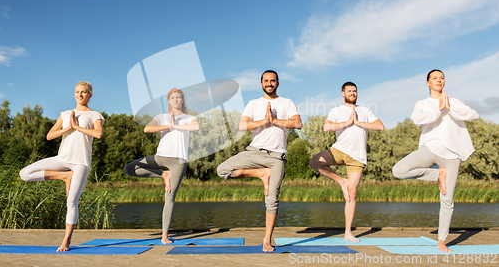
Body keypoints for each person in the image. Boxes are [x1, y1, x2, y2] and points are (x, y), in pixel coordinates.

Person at [392, 69, 479, 252]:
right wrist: (439, 109)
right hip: (430, 149)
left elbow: (473, 115)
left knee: (447, 200)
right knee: (398, 170)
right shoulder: (423, 103)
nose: (438, 80)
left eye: (441, 78)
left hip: (452, 156)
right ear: (428, 83)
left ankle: (441, 241)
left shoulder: (453, 102)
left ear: (444, 82)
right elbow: (417, 119)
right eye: (434, 78)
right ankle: (438, 175)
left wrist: (449, 107)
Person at [217, 70, 302, 252]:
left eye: (272, 81)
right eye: (266, 81)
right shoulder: (254, 104)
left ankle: (266, 240)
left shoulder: (287, 103)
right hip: (254, 152)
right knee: (222, 170)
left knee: (272, 199)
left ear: (277, 83)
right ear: (261, 83)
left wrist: (276, 120)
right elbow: (242, 125)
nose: (269, 83)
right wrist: (264, 120)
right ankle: (261, 174)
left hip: (277, 157)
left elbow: (297, 123)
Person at [19, 81, 104, 252]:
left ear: (90, 95)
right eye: (77, 92)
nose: (80, 95)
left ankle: (66, 241)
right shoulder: (65, 114)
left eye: (83, 92)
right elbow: (50, 135)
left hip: (80, 162)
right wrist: (68, 128)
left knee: (72, 201)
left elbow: (98, 134)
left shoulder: (95, 115)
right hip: (62, 158)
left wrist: (77, 127)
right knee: (25, 173)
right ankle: (65, 176)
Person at [309, 82, 384, 242]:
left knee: (352, 194)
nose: (352, 93)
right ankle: (341, 181)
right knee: (315, 162)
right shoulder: (337, 111)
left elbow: (380, 126)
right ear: (343, 93)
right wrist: (347, 123)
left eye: (354, 91)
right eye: (349, 91)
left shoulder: (365, 111)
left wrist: (358, 123)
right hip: (340, 150)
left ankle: (348, 232)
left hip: (357, 156)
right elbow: (326, 127)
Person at [125, 88, 199, 244]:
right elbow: (147, 129)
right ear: (169, 101)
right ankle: (163, 175)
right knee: (130, 168)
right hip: (160, 158)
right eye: (173, 98)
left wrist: (176, 125)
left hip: (178, 161)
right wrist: (168, 126)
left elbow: (195, 127)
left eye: (179, 97)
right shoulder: (161, 117)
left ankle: (164, 235)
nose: (176, 100)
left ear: (183, 100)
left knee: (169, 197)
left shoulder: (188, 118)